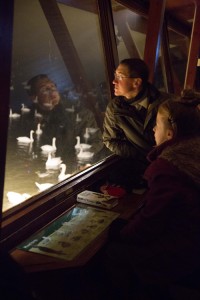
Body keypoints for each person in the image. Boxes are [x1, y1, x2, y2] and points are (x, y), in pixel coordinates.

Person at [95, 98, 200, 299]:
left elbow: (151, 223)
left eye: (157, 125)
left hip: (183, 251)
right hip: (193, 240)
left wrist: (120, 231)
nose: (152, 129)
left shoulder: (169, 167)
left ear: (170, 134)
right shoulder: (193, 152)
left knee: (112, 253)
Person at [102, 58, 176, 190]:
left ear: (136, 82)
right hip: (139, 170)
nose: (114, 81)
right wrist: (140, 155)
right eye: (115, 76)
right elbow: (110, 140)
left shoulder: (168, 103)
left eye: (120, 77)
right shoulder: (115, 109)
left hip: (171, 168)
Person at [25, 74, 104, 158]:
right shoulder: (26, 120)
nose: (53, 91)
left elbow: (96, 141)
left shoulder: (79, 113)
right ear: (34, 97)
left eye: (53, 86)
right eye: (45, 89)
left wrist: (78, 162)